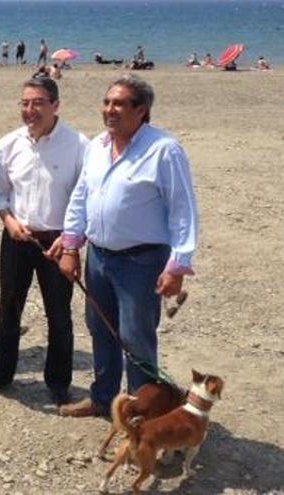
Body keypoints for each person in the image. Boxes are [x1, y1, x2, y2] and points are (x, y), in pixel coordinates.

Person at [48, 75, 199, 417]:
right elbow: (81, 197)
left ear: (141, 110)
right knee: (101, 329)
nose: (109, 110)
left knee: (136, 339)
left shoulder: (164, 150)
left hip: (141, 263)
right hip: (99, 257)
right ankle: (104, 400)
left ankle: (142, 413)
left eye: (119, 104)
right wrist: (71, 245)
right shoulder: (99, 146)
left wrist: (177, 266)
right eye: (106, 103)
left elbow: (183, 211)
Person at [0, 77, 89, 405]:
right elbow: (0, 191)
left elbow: (84, 198)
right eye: (25, 103)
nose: (30, 110)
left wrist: (72, 241)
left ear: (56, 105)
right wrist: (8, 220)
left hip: (59, 242)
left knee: (58, 313)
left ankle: (58, 382)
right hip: (18, 238)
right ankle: (1, 372)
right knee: (9, 307)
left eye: (38, 103)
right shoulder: (8, 144)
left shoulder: (78, 145)